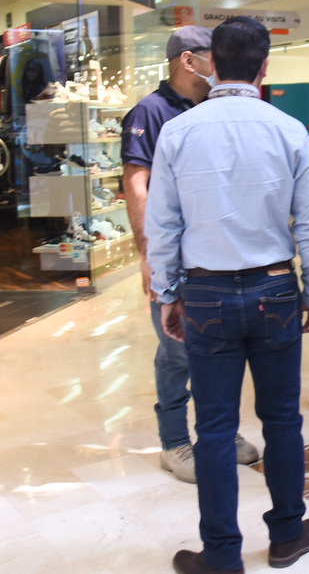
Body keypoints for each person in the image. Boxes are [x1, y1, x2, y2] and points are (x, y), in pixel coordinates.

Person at [145, 16, 309, 574]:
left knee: (215, 428)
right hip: (274, 287)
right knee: (282, 421)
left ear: (211, 64)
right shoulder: (288, 129)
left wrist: (167, 293)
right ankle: (288, 534)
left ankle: (222, 553)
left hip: (204, 292)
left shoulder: (178, 132)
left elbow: (163, 224)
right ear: (264, 66)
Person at [121, 26, 259, 484]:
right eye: (210, 56)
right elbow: (136, 184)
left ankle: (221, 432)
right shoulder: (150, 111)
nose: (217, 65)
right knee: (176, 350)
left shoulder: (212, 107)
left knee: (219, 349)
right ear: (188, 60)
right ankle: (174, 441)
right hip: (173, 255)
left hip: (213, 256)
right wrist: (148, 254)